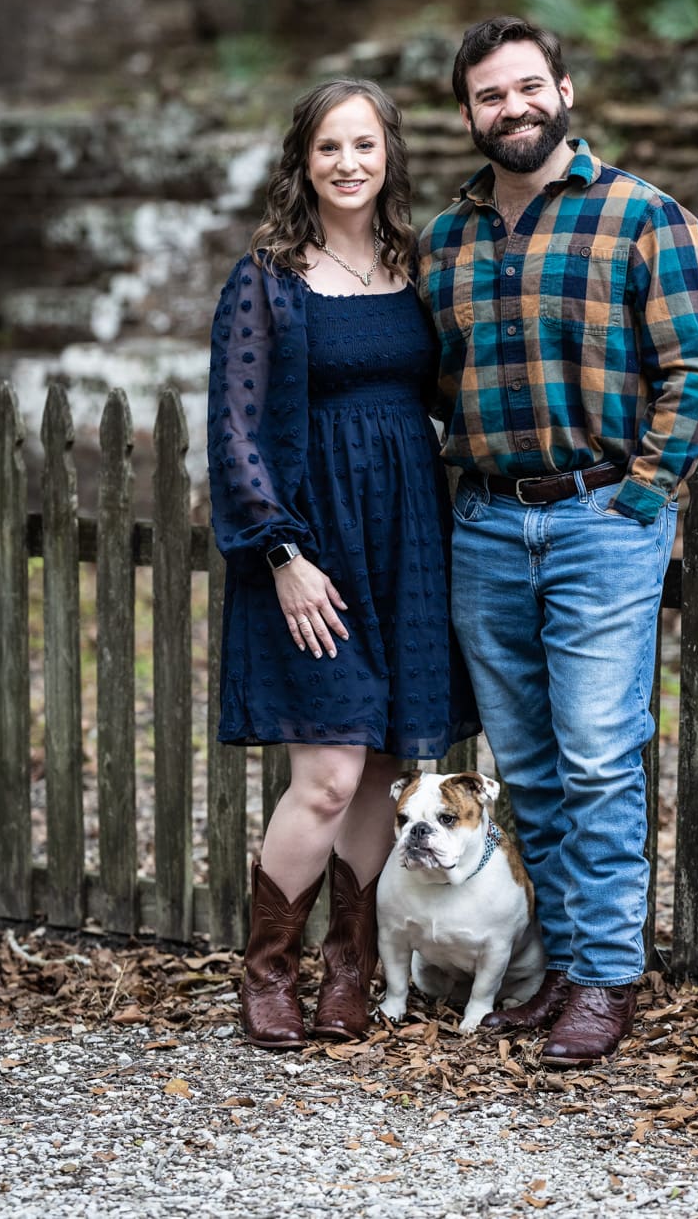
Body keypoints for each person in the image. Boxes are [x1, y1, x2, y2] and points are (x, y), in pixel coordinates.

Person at [418, 17, 698, 1067]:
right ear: (466, 114)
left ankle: (603, 980)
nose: (512, 109)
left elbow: (695, 372)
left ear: (565, 91)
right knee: (533, 770)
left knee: (598, 760)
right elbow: (425, 386)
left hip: (601, 519)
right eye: (489, 96)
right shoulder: (444, 241)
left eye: (527, 87)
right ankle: (552, 971)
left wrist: (641, 500)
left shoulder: (641, 215)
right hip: (487, 525)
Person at [207, 78, 479, 1051]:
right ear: (303, 162)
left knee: (377, 773)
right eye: (329, 147)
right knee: (323, 775)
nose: (348, 163)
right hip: (312, 548)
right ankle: (267, 971)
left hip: (405, 541)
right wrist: (281, 552)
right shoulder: (268, 279)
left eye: (364, 145)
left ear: (388, 157)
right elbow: (236, 433)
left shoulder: (417, 265)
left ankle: (348, 968)